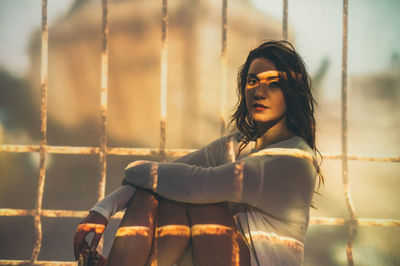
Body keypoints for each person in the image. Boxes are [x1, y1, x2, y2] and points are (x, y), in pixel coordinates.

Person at [73, 40, 322, 266]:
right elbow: (164, 179)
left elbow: (193, 186)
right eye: (252, 81)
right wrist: (102, 211)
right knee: (157, 192)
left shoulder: (294, 159)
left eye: (274, 84)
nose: (259, 92)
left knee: (201, 202)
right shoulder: (236, 146)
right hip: (212, 256)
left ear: (292, 92)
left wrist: (134, 169)